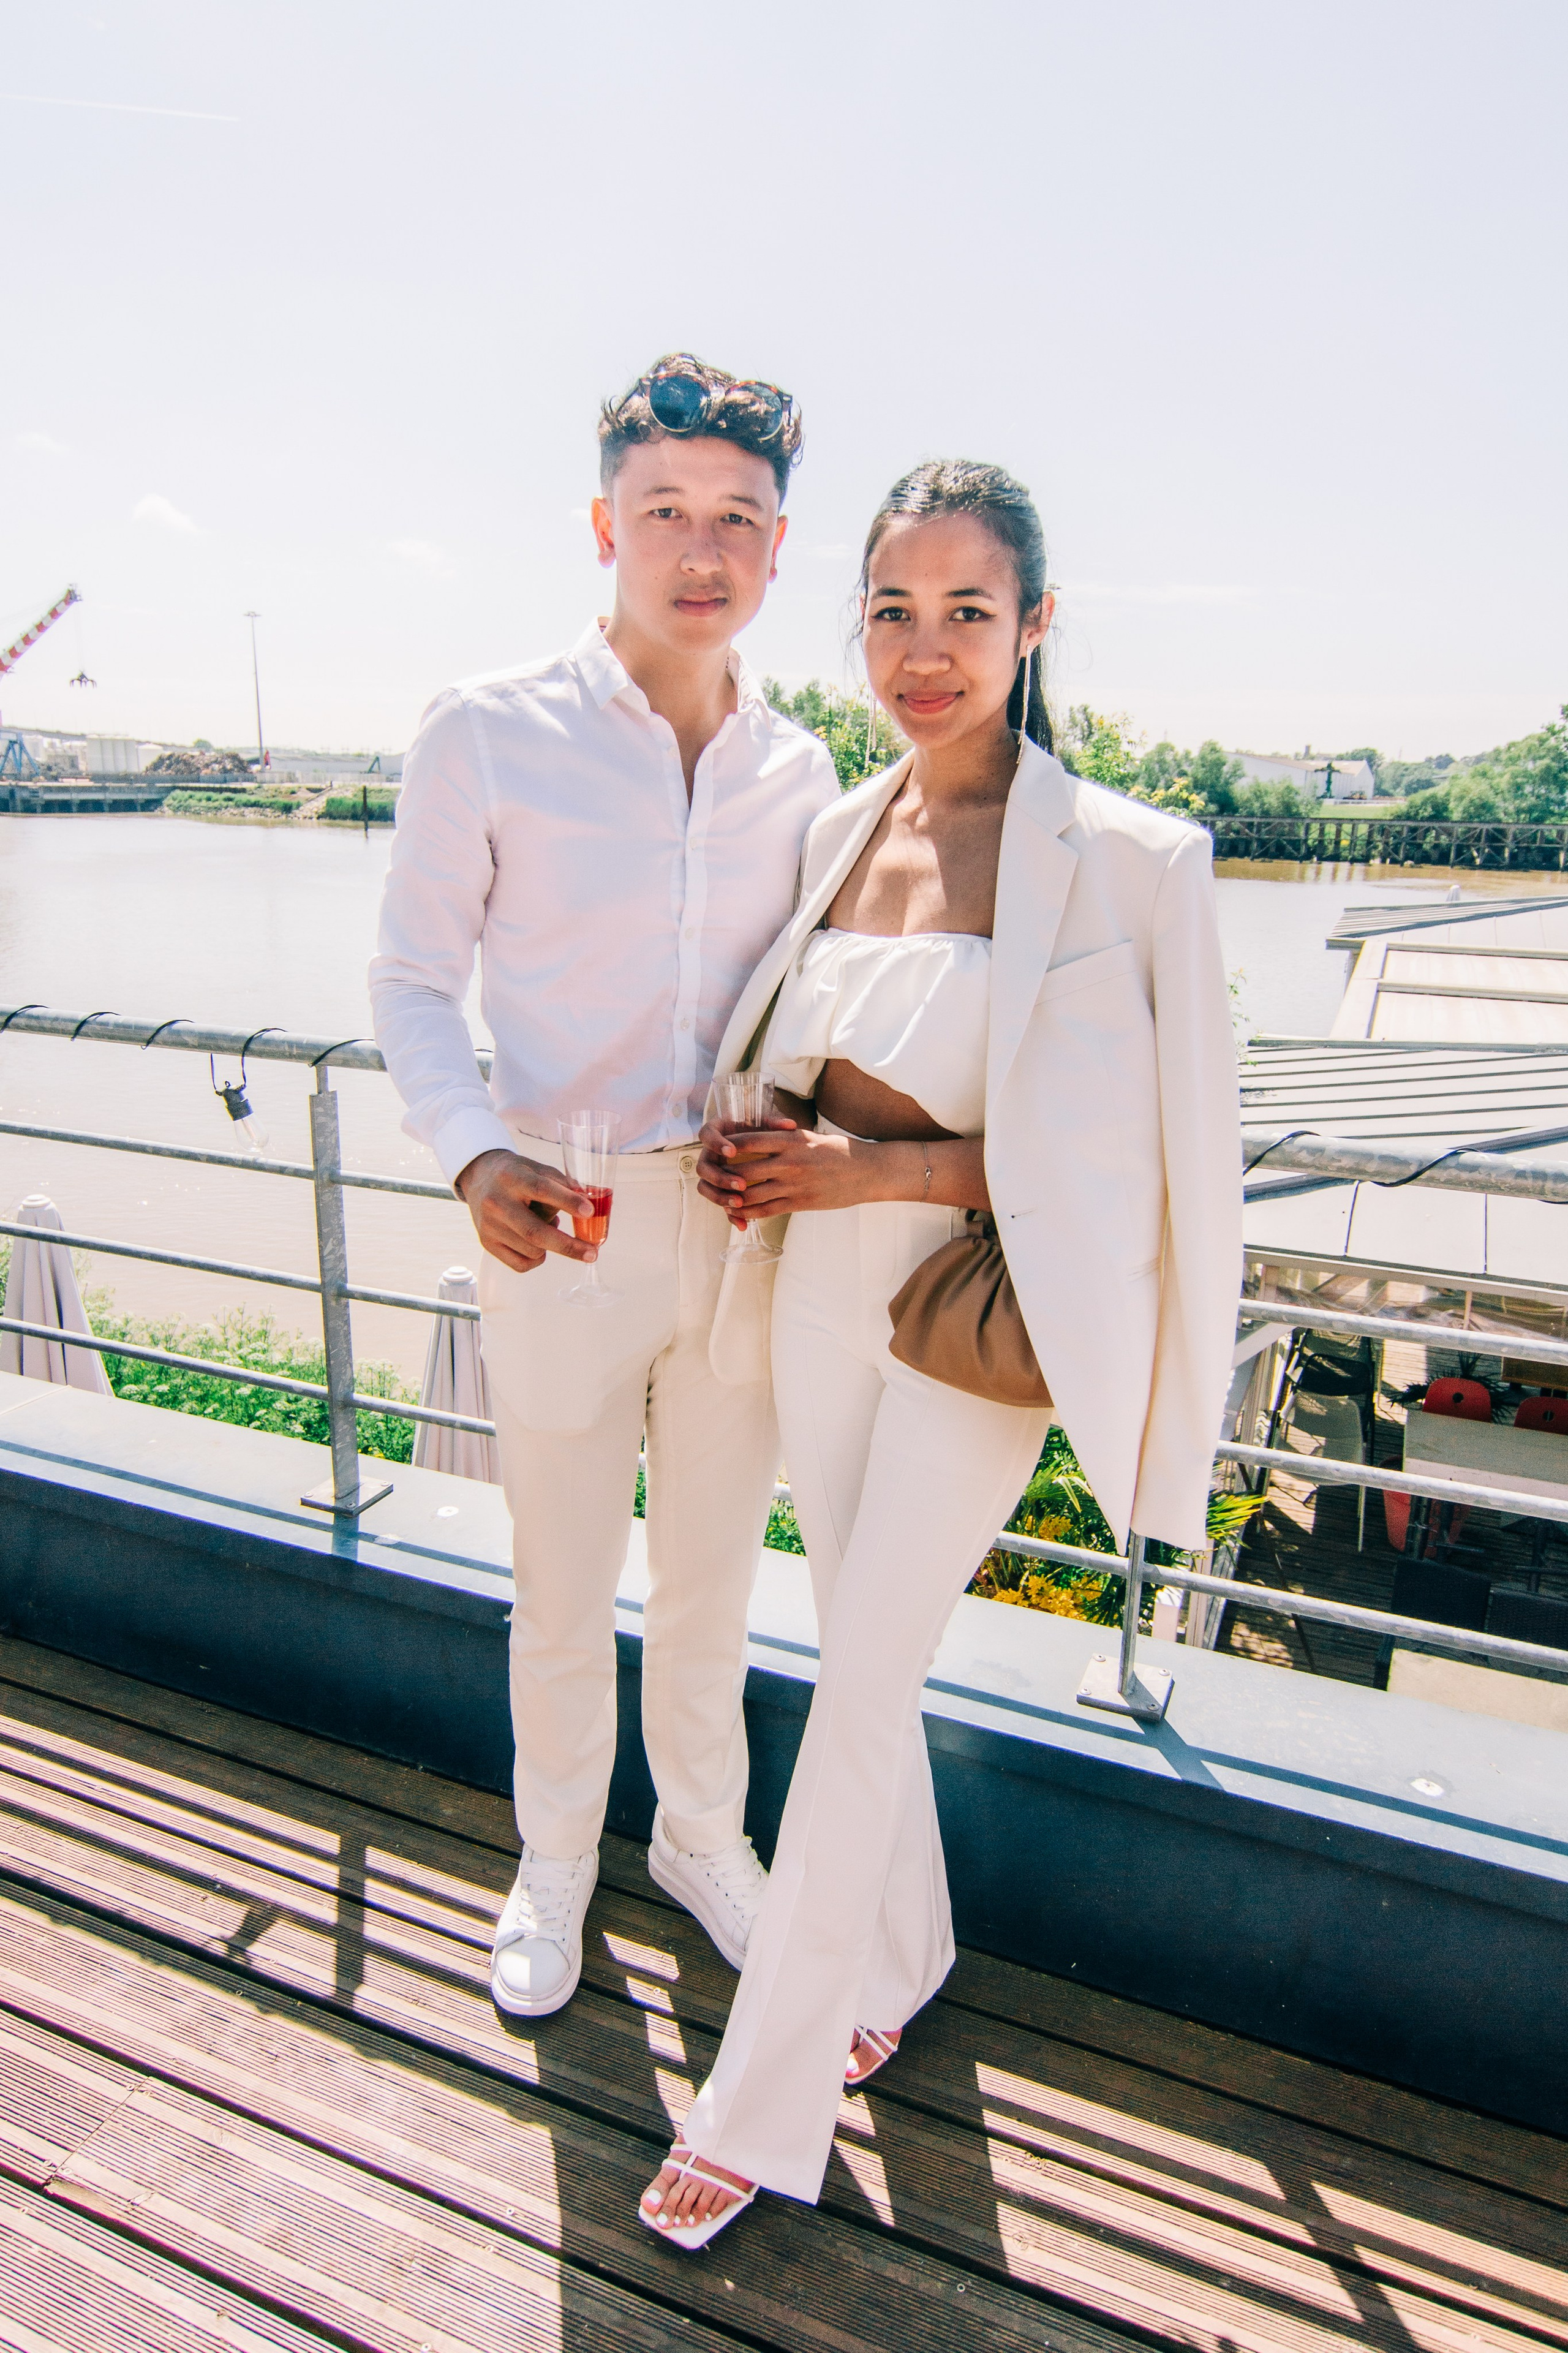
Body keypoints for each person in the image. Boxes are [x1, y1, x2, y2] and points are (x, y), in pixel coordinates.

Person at [638, 458, 1242, 2245]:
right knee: (860, 1649)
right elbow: (795, 1051)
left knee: (862, 1672)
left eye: (967, 612)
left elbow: (1143, 1156)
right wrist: (769, 1153)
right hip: (815, 1283)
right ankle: (908, 1943)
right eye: (891, 609)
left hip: (984, 1312)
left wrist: (873, 1166)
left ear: (1036, 626)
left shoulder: (1139, 860)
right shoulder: (841, 828)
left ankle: (759, 2101)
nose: (923, 650)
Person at [369, 356, 839, 2020]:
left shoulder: (808, 775)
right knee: (561, 1577)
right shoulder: (486, 731)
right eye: (664, 513)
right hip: (555, 1219)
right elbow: (413, 985)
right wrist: (472, 1148)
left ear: (781, 548)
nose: (698, 551)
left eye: (737, 519)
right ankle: (556, 1854)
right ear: (602, 525)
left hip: (736, 1231)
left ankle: (700, 1838)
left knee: (712, 1575)